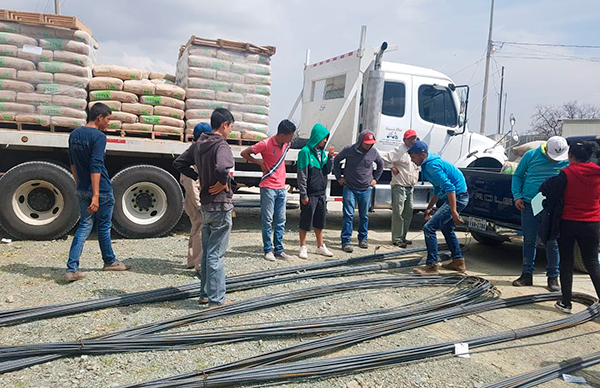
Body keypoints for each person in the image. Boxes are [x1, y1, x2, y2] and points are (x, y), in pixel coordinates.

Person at [173, 108, 235, 307]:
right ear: (224, 124)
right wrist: (223, 182)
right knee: (216, 254)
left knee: (208, 252)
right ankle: (217, 300)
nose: (230, 132)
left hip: (207, 206)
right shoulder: (221, 145)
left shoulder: (199, 144)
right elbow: (223, 168)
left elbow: (179, 163)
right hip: (220, 205)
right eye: (231, 127)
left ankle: (205, 294)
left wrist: (197, 177)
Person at [65, 103, 131, 282]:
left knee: (84, 226)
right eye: (108, 119)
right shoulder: (99, 137)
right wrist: (95, 194)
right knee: (103, 226)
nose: (109, 124)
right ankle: (109, 261)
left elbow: (72, 162)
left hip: (83, 188)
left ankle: (72, 269)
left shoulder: (74, 134)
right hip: (100, 189)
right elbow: (96, 165)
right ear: (99, 117)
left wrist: (81, 184)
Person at [539, 141, 600, 314]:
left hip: (569, 223)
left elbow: (552, 199)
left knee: (566, 262)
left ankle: (566, 303)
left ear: (570, 156)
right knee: (593, 263)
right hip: (593, 224)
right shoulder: (598, 173)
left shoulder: (565, 174)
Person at [511, 136, 569, 291]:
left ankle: (552, 277)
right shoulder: (531, 155)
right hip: (530, 203)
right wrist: (517, 196)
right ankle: (526, 274)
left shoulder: (568, 159)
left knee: (552, 241)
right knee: (529, 240)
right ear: (546, 150)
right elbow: (517, 176)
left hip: (552, 206)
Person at [408, 141, 469, 275]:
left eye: (413, 157)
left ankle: (432, 265)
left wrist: (453, 211)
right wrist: (429, 207)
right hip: (457, 196)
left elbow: (450, 187)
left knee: (429, 228)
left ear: (422, 155)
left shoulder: (432, 166)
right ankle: (458, 262)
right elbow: (437, 188)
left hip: (457, 197)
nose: (412, 160)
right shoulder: (427, 165)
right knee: (446, 228)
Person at [241, 120, 296, 262]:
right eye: (291, 135)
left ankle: (279, 250)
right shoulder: (265, 144)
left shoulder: (287, 144)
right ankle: (268, 249)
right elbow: (245, 153)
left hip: (281, 188)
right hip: (268, 187)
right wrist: (259, 163)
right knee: (268, 220)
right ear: (283, 135)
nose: (293, 138)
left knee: (281, 220)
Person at [333, 130, 384, 252]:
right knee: (348, 215)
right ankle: (346, 241)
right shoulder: (349, 150)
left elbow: (381, 164)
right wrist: (339, 177)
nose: (368, 145)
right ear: (360, 141)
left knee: (364, 215)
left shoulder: (373, 152)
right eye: (366, 143)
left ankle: (363, 239)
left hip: (365, 189)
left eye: (370, 143)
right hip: (349, 187)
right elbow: (336, 161)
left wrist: (375, 179)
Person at [297, 124, 335, 259]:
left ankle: (320, 246)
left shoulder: (322, 154)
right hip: (310, 194)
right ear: (317, 137)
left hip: (320, 193)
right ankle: (303, 246)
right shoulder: (305, 152)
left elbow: (327, 171)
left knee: (320, 221)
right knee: (305, 221)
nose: (325, 141)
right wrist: (303, 194)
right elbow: (302, 175)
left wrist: (330, 157)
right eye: (323, 138)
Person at [180, 122, 212, 274]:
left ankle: (192, 261)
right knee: (201, 231)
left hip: (193, 199)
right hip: (196, 201)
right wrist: (200, 205)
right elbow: (192, 185)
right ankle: (199, 265)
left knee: (195, 228)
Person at [381, 129, 419, 248]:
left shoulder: (414, 150)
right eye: (410, 138)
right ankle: (397, 238)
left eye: (414, 138)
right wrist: (391, 167)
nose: (413, 140)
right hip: (399, 186)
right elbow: (384, 158)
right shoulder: (399, 150)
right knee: (398, 213)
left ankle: (403, 236)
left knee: (408, 212)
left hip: (410, 186)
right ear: (404, 140)